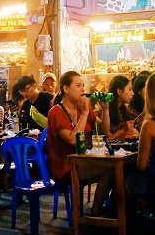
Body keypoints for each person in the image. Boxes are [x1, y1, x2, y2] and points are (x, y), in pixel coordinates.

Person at [46, 71, 114, 217]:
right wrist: (83, 114)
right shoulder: (56, 112)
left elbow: (103, 131)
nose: (83, 89)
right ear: (66, 88)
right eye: (78, 85)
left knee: (117, 168)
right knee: (110, 170)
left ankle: (112, 211)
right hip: (66, 166)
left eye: (83, 85)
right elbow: (72, 139)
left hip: (85, 161)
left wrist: (105, 109)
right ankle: (95, 213)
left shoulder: (83, 107)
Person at [106, 75, 138, 141]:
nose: (133, 93)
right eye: (129, 89)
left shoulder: (123, 110)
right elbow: (106, 140)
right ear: (119, 91)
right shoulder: (106, 111)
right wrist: (123, 130)